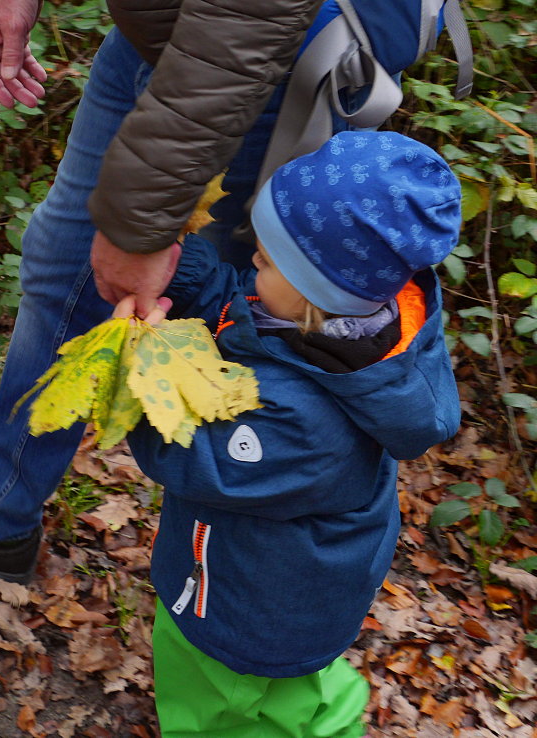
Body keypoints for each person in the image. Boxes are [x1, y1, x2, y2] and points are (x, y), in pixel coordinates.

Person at [0, 0, 338, 582]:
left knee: (231, 319)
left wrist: (140, 226)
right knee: (65, 265)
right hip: (156, 36)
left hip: (250, 65)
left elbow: (250, 16)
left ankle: (232, 588)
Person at [117, 130, 461, 736]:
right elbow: (238, 305)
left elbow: (197, 459)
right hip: (301, 585)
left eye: (270, 260)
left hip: (249, 607)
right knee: (294, 689)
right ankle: (332, 714)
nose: (252, 260)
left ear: (316, 296)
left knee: (219, 700)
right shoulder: (333, 325)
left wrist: (132, 376)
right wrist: (184, 263)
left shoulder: (306, 420)